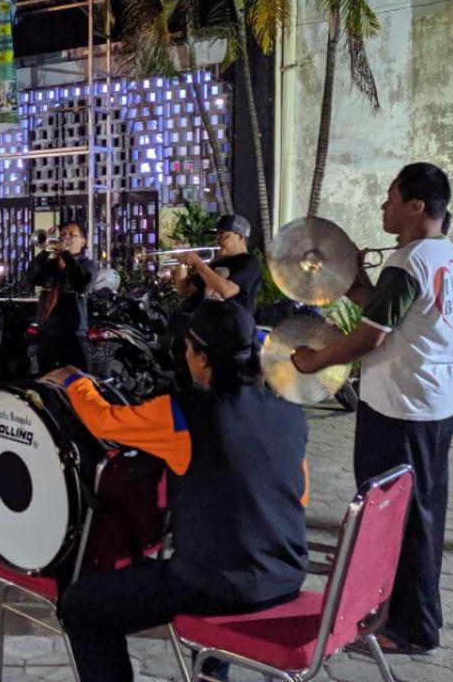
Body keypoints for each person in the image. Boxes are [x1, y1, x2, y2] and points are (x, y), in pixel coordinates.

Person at [41, 300, 309, 682]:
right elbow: (299, 496)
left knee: (80, 606)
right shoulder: (290, 413)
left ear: (201, 358)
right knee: (214, 554)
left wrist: (74, 380)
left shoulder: (182, 414)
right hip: (286, 578)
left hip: (214, 587)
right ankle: (212, 672)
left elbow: (104, 422)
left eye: (186, 348)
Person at [291, 162, 453, 655]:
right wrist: (355, 277)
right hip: (431, 402)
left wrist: (316, 361)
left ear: (416, 206)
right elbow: (385, 310)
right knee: (420, 513)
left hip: (401, 407)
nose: (383, 206)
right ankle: (405, 616)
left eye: (391, 198)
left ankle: (408, 628)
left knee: (395, 518)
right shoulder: (442, 252)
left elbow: (371, 337)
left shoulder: (407, 263)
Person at [26, 220, 99, 371]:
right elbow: (31, 277)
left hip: (74, 333)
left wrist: (66, 254)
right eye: (63, 234)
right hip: (47, 332)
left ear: (83, 241)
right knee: (48, 379)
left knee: (79, 379)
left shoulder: (87, 264)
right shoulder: (51, 265)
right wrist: (46, 249)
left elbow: (81, 284)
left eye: (71, 235)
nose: (66, 237)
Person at [172, 213, 262, 315]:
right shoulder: (217, 263)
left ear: (240, 237)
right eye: (216, 236)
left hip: (233, 322)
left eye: (222, 235)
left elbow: (227, 291)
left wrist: (198, 263)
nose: (217, 240)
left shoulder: (250, 262)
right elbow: (184, 290)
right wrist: (181, 261)